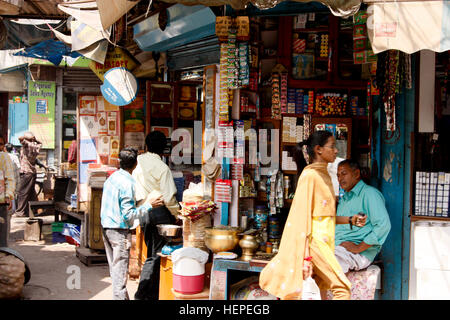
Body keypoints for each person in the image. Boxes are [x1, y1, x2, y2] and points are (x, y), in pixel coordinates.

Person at [259, 131, 365, 300]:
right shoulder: (310, 176)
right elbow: (301, 218)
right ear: (318, 149)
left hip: (326, 242)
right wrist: (306, 256)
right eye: (332, 146)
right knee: (342, 289)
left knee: (322, 291)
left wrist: (350, 220)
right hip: (316, 244)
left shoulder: (325, 176)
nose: (336, 151)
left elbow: (325, 217)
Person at [100, 147, 164, 300]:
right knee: (120, 273)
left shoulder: (112, 178)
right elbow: (128, 216)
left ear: (119, 162)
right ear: (136, 164)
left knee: (115, 270)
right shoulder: (127, 183)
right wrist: (149, 205)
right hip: (118, 231)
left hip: (106, 228)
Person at [132, 130, 180, 300]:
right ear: (164, 148)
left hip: (143, 210)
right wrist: (177, 214)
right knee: (156, 254)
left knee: (152, 251)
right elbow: (169, 198)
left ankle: (151, 293)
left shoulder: (137, 162)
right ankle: (143, 293)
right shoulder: (162, 168)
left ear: (147, 145)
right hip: (158, 213)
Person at [335, 159, 391, 273]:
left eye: (344, 174)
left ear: (356, 174)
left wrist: (359, 247)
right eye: (338, 175)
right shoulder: (344, 199)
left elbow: (383, 225)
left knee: (328, 264)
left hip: (358, 254)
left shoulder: (370, 194)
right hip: (338, 248)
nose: (340, 179)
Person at [14, 132, 44, 217]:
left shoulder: (27, 145)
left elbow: (20, 138)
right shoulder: (36, 147)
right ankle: (34, 211)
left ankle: (20, 212)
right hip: (32, 172)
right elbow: (41, 143)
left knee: (22, 193)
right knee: (31, 193)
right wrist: (34, 138)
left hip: (26, 172)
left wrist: (27, 136)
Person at [0, 135, 16, 247]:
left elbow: (10, 179)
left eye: (0, 144)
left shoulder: (4, 157)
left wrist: (9, 195)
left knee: (1, 239)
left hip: (1, 202)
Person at [3, 143, 20, 212]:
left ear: (5, 148)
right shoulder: (14, 157)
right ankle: (12, 210)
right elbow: (18, 168)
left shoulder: (3, 156)